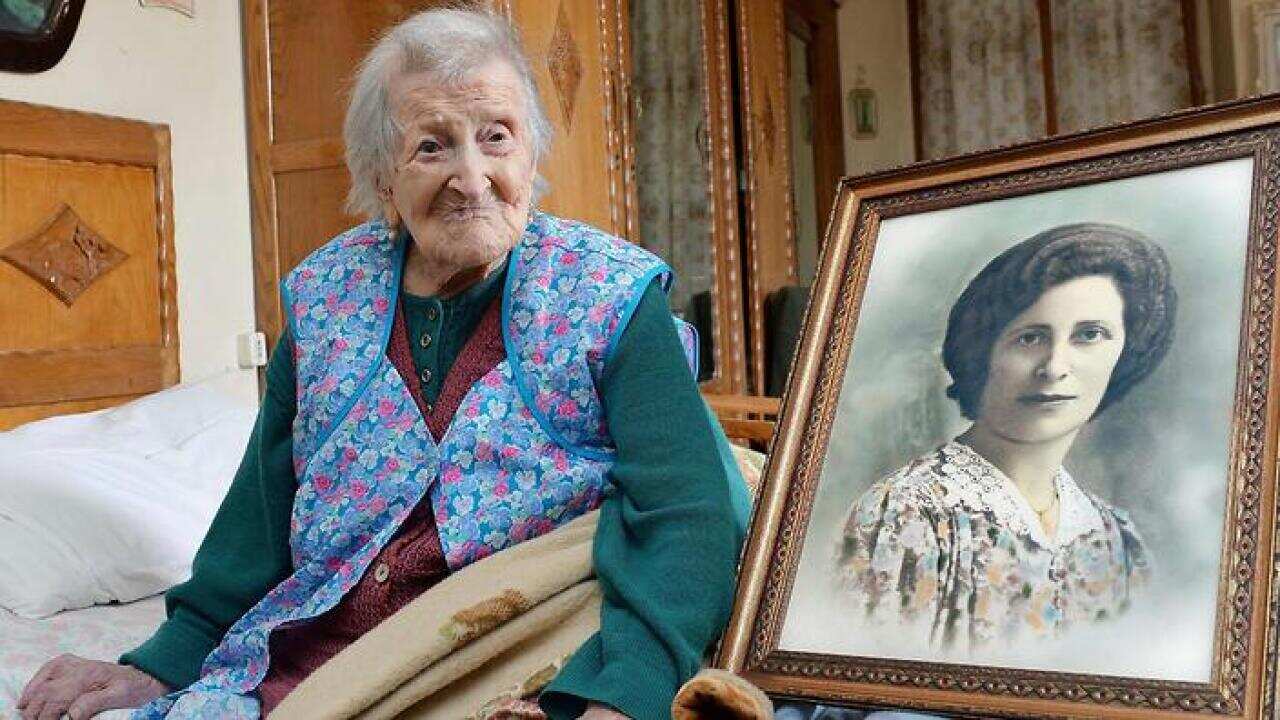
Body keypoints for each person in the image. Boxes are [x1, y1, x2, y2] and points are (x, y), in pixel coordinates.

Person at [17, 9, 747, 720]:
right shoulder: (324, 298)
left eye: (497, 138)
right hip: (321, 654)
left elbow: (688, 512)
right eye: (432, 147)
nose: (471, 177)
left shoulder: (609, 294)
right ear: (381, 175)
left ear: (531, 152)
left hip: (514, 654)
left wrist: (627, 694)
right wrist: (161, 662)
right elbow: (258, 521)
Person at [833, 222, 1176, 651]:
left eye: (1089, 335)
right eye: (1030, 338)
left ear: (1125, 352)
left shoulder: (1117, 539)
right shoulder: (909, 513)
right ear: (984, 352)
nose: (1054, 367)